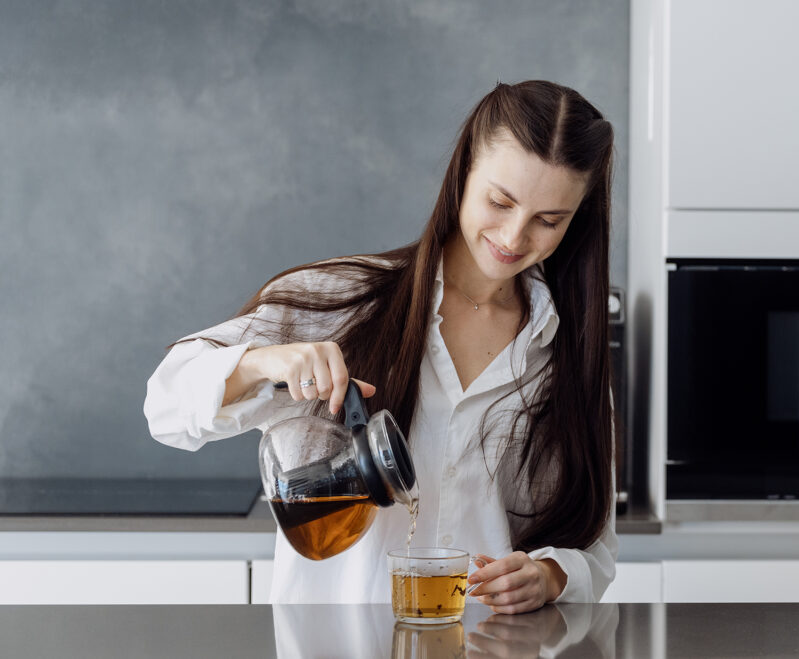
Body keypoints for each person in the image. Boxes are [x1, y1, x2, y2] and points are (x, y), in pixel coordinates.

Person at [144, 80, 617, 612]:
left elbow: (595, 543)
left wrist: (551, 574)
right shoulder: (342, 299)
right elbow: (164, 409)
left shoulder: (561, 349)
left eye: (548, 220)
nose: (512, 236)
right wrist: (263, 362)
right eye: (499, 201)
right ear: (462, 173)